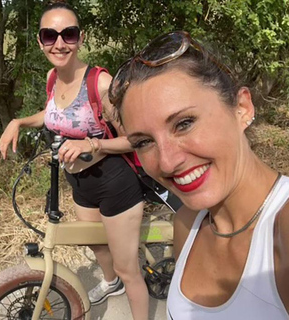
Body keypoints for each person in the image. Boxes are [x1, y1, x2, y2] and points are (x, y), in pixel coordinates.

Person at [109, 30, 289, 319]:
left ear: (242, 108)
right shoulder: (188, 223)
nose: (167, 163)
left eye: (184, 123)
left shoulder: (283, 229)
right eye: (143, 142)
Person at [0, 1, 150, 318]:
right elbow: (53, 114)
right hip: (78, 181)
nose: (59, 43)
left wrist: (95, 144)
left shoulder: (101, 83)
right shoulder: (53, 78)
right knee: (94, 244)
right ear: (40, 41)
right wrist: (20, 121)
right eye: (49, 35)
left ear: (80, 38)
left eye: (68, 33)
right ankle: (111, 284)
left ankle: (132, 300)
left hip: (114, 181)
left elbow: (135, 138)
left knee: (128, 267)